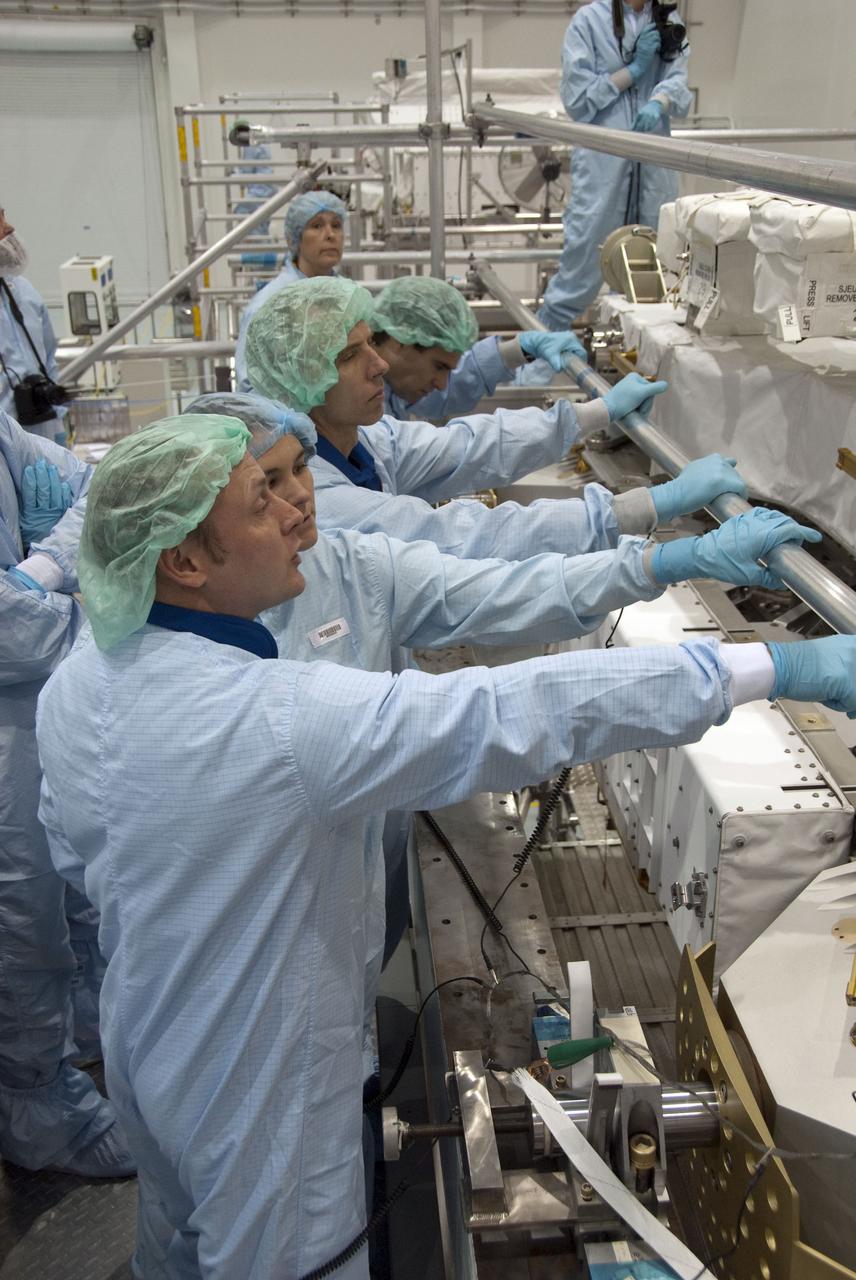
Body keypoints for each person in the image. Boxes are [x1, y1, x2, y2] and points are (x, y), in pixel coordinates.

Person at [36, 413, 856, 1279]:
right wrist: (773, 668)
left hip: (148, 1033)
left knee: (171, 1243)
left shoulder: (86, 676)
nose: (295, 507)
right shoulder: (274, 718)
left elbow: (72, 851)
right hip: (263, 1081)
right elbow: (511, 712)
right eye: (260, 496)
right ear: (187, 563)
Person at [184, 389, 827, 1004]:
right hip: (254, 993)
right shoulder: (219, 706)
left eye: (303, 469)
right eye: (267, 487)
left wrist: (662, 562)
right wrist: (756, 669)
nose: (301, 499)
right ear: (190, 545)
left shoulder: (333, 560)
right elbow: (495, 715)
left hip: (346, 916)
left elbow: (491, 587)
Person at [243, 275, 745, 562]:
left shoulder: (363, 441)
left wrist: (596, 411)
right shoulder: (316, 497)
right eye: (353, 355)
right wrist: (642, 509)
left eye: (372, 344)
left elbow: (471, 444)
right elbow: (466, 536)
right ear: (305, 375)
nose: (379, 365)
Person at [0, 409, 134, 1176]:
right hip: (12, 712)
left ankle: (86, 1046)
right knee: (20, 918)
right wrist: (81, 604)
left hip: (34, 706)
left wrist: (44, 562)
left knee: (66, 888)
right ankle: (38, 1113)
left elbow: (102, 489)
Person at [538, 0, 692, 330]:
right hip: (602, 165)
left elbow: (679, 84)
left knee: (659, 267)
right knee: (582, 265)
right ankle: (538, 364)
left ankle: (642, 364)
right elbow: (577, 101)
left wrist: (658, 100)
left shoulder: (667, 20)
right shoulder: (589, 21)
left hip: (654, 161)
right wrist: (632, 72)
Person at [371, 274, 589, 419]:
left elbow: (447, 393)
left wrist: (518, 350)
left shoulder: (388, 384)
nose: (442, 385)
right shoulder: (352, 404)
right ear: (401, 340)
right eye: (439, 367)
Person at [235, 190, 348, 391]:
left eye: (336, 225)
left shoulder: (350, 296)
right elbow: (251, 386)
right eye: (317, 225)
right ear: (294, 239)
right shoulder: (269, 305)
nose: (330, 235)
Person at [0, 208, 68, 444]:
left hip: (44, 428)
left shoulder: (24, 291)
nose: (9, 228)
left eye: (4, 215)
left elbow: (49, 360)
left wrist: (57, 420)